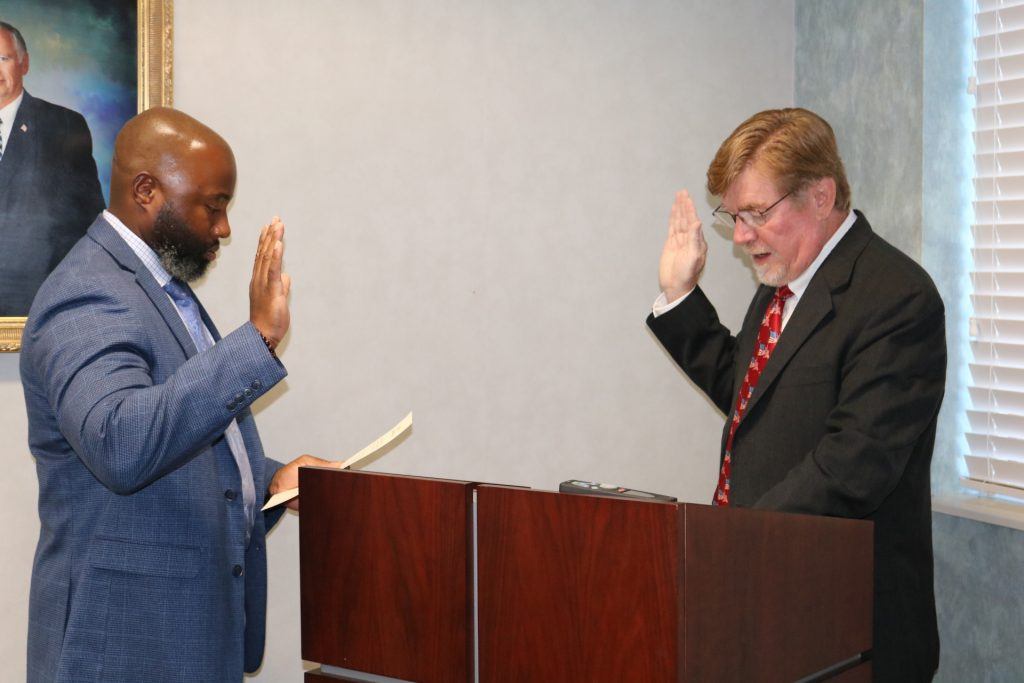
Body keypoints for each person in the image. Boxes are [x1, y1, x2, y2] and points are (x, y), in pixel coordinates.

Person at [20, 107, 335, 683]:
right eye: (212, 205)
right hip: (123, 645)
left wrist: (267, 480)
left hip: (182, 639)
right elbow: (121, 444)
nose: (223, 228)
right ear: (147, 190)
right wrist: (258, 339)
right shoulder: (88, 292)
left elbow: (181, 435)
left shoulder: (159, 289)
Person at [647, 108, 945, 682]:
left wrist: (726, 544)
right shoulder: (786, 281)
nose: (739, 236)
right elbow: (749, 390)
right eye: (733, 216)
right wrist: (679, 294)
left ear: (821, 194)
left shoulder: (897, 297)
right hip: (770, 606)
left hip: (846, 629)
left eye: (756, 213)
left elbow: (851, 467)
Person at [0, 21, 105, 316]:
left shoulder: (64, 126)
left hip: (37, 306)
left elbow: (88, 223)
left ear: (24, 63)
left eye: (2, 59)